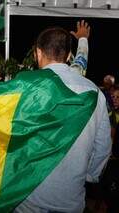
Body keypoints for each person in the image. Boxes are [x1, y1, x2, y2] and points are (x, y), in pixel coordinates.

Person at [14, 20, 112, 212]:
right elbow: (103, 147)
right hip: (70, 198)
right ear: (68, 55)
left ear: (38, 53)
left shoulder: (23, 88)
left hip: (27, 198)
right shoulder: (94, 94)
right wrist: (88, 174)